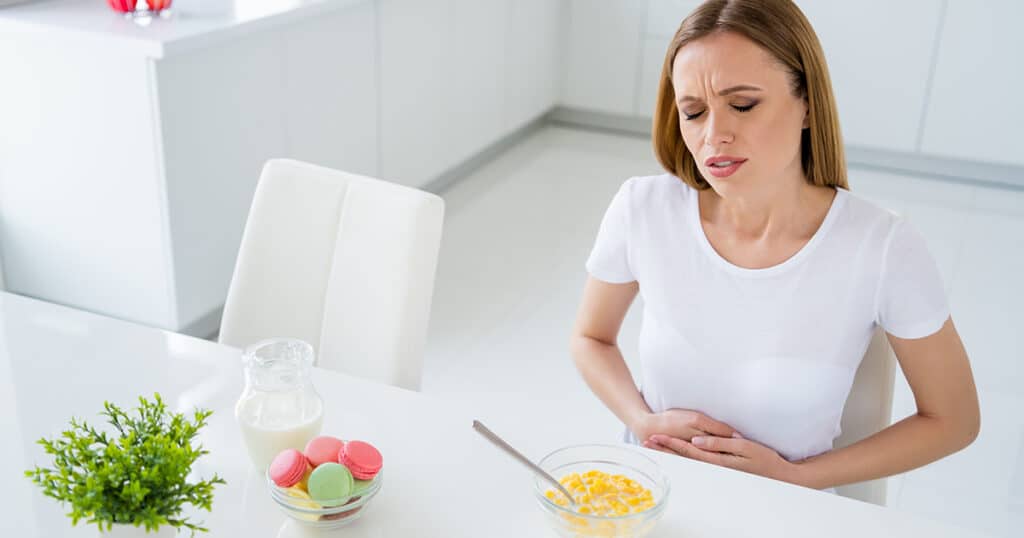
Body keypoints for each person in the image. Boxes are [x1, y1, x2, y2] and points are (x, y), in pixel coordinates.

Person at [569, 0, 980, 491]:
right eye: (693, 112)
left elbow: (954, 420)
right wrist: (641, 420)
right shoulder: (642, 209)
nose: (714, 135)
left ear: (806, 103)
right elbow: (589, 339)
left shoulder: (883, 248)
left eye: (742, 105)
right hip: (651, 495)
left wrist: (794, 477)